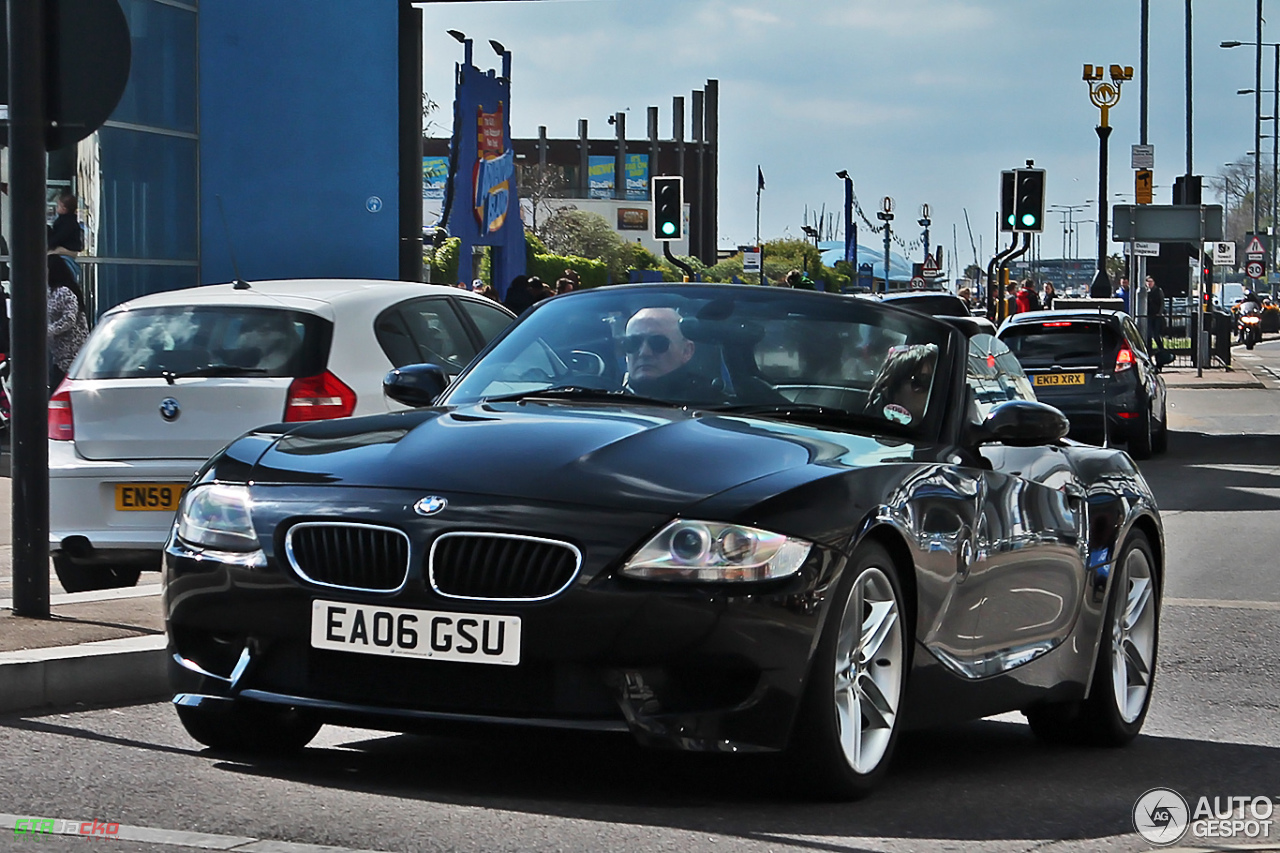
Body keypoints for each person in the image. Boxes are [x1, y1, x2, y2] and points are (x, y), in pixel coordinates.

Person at [621, 307, 714, 400]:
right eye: (633, 343)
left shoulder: (713, 404)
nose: (644, 352)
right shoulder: (609, 396)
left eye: (658, 343)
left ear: (687, 351)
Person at [866, 343, 938, 425]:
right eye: (923, 381)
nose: (932, 390)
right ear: (891, 387)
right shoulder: (872, 427)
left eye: (936, 381)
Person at [47, 254, 89, 394]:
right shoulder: (50, 292)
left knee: (59, 389)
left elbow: (70, 318)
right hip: (60, 353)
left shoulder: (64, 291)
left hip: (72, 352)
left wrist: (50, 330)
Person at [1144, 274, 1165, 351]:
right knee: (1148, 335)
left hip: (1156, 316)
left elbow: (1162, 303)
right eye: (1147, 281)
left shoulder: (1158, 290)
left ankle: (1161, 350)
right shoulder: (1144, 291)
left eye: (1151, 281)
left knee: (1156, 335)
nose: (1149, 283)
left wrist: (1160, 312)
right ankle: (1149, 351)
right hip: (1148, 316)